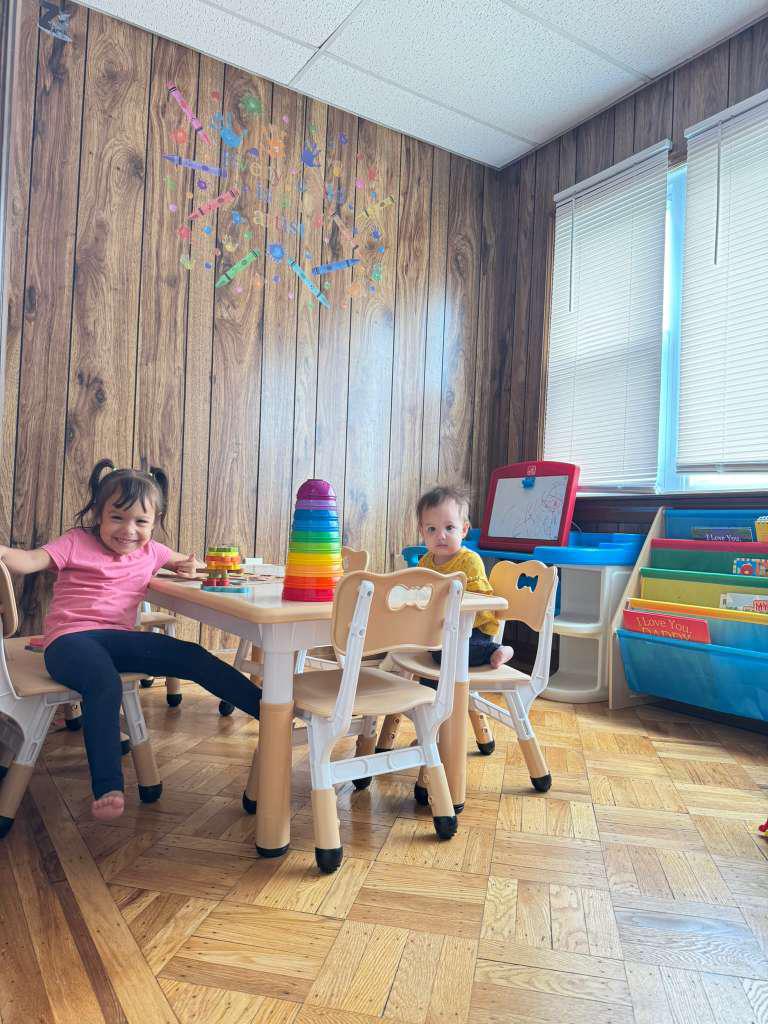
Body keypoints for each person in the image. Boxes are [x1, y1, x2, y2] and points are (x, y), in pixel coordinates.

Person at [0, 459, 262, 822]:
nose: (128, 530)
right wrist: (3, 553)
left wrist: (191, 565)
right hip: (68, 642)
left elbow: (191, 564)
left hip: (118, 640)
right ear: (99, 514)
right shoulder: (76, 541)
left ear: (153, 524)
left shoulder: (151, 551)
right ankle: (108, 785)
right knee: (103, 682)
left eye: (141, 522)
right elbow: (28, 561)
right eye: (118, 518)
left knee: (191, 655)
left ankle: (269, 711)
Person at [417, 485, 513, 669]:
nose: (441, 536)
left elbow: (480, 600)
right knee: (430, 650)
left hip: (473, 627)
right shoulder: (426, 562)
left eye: (449, 528)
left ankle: (494, 650)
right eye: (431, 529)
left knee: (444, 653)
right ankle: (430, 692)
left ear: (464, 530)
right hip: (442, 625)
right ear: (422, 531)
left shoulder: (470, 561)